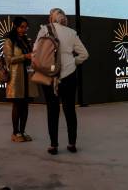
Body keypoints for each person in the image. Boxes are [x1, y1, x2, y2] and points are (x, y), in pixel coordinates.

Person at [34, 8, 89, 155]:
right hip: (69, 75)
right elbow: (84, 54)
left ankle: (53, 145)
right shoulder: (71, 33)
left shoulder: (44, 30)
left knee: (52, 110)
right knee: (70, 110)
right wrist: (72, 61)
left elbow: (35, 52)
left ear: (51, 18)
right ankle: (72, 144)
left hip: (50, 75)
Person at [4, 16, 39, 143]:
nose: (24, 29)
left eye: (25, 27)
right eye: (21, 27)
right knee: (17, 105)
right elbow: (9, 59)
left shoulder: (25, 40)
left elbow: (30, 56)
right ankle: (15, 132)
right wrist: (25, 56)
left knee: (25, 105)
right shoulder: (9, 41)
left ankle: (23, 131)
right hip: (16, 78)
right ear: (15, 26)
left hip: (27, 76)